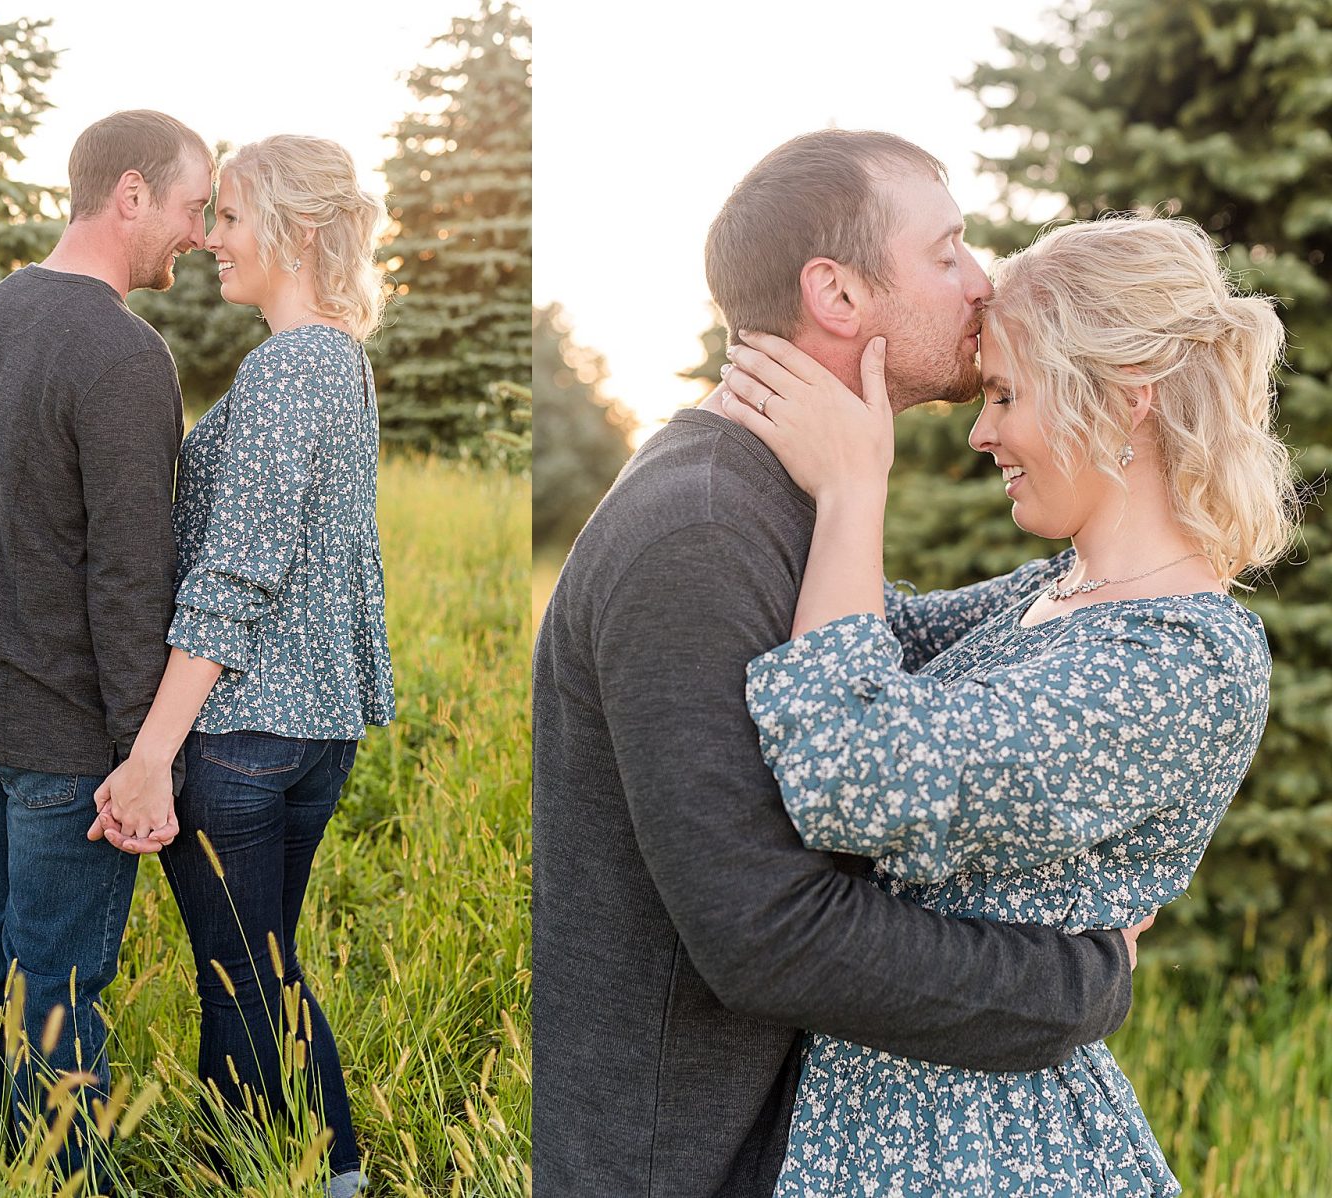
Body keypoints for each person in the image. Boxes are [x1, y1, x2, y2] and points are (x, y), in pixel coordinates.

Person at [532, 129, 1150, 1197]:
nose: (981, 282)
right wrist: (1084, 979)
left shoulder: (781, 501)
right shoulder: (699, 531)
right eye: (947, 251)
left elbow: (927, 650)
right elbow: (766, 934)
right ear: (837, 292)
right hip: (690, 1159)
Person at [717, 214, 1294, 1196]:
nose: (982, 430)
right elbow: (870, 629)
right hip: (871, 1110)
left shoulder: (1185, 656)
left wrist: (856, 489)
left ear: (1121, 402)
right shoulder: (1061, 588)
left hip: (980, 1147)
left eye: (1005, 394)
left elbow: (855, 776)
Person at [87, 133, 394, 1198]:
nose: (210, 237)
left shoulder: (286, 369)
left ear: (294, 232)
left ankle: (331, 1171)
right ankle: (244, 1167)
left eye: (227, 216)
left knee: (246, 980)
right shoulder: (338, 361)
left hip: (248, 740)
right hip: (312, 734)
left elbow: (237, 580)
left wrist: (148, 754)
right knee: (255, 972)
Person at [0, 109, 214, 1179]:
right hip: (63, 738)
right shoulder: (124, 353)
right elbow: (129, 578)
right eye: (192, 207)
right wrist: (148, 759)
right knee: (57, 979)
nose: (197, 233)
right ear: (130, 193)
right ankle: (64, 1174)